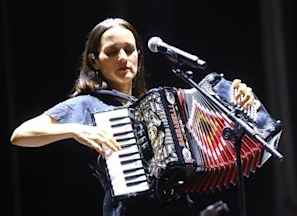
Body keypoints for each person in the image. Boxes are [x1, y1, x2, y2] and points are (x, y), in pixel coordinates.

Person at [10, 17, 258, 216]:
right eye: (111, 52)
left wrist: (237, 100)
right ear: (94, 61)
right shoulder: (86, 104)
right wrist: (76, 129)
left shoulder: (160, 107)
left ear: (139, 55)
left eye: (129, 50)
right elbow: (20, 135)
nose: (122, 58)